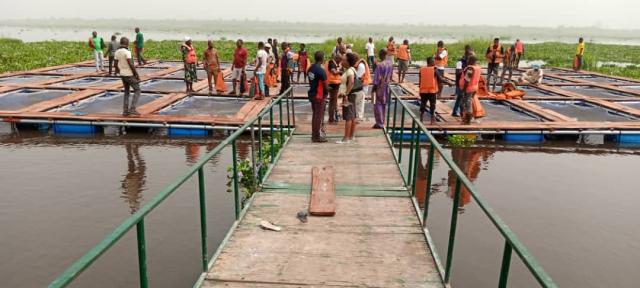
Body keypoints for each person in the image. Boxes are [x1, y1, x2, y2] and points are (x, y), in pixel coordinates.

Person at [114, 37, 141, 116]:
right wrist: (136, 74)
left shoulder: (117, 52)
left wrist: (120, 71)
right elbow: (131, 64)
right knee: (137, 90)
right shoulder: (127, 52)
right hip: (129, 74)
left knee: (126, 92)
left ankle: (125, 111)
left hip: (122, 74)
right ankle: (132, 109)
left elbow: (115, 65)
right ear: (127, 43)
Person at [337, 53, 361, 144]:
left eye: (343, 60)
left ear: (348, 62)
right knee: (352, 116)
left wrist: (346, 94)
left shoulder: (350, 71)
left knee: (348, 116)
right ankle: (351, 136)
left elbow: (351, 82)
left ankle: (346, 138)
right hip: (351, 95)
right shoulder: (350, 69)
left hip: (349, 96)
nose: (342, 62)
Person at [419, 57, 450, 124]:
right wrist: (449, 83)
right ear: (430, 62)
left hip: (423, 90)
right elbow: (440, 79)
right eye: (433, 61)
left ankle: (421, 118)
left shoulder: (421, 69)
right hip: (431, 90)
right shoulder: (434, 69)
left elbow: (420, 80)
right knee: (432, 105)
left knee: (423, 104)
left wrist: (420, 89)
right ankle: (432, 119)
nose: (434, 62)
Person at [308, 51, 329, 143]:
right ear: (322, 58)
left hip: (312, 93)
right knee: (318, 116)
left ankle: (314, 134)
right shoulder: (321, 71)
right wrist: (328, 91)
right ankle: (316, 136)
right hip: (319, 96)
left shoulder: (311, 68)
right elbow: (325, 85)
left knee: (315, 115)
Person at [452, 45, 475, 117]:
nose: (470, 56)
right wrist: (466, 70)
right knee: (461, 98)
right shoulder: (460, 62)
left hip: (468, 83)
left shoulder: (470, 64)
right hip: (460, 83)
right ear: (466, 54)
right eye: (470, 54)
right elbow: (458, 72)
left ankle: (457, 112)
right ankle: (459, 113)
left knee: (461, 98)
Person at [372, 48, 393, 129]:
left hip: (380, 87)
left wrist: (374, 88)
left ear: (381, 54)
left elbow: (377, 79)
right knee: (384, 104)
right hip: (386, 86)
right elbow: (391, 76)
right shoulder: (390, 63)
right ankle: (382, 121)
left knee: (378, 105)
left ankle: (379, 123)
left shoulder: (380, 65)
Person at [459, 55, 482, 125]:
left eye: (468, 60)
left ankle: (467, 121)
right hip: (474, 88)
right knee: (464, 103)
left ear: (472, 61)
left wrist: (463, 90)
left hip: (468, 89)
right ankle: (464, 118)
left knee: (467, 104)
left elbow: (467, 80)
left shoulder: (470, 69)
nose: (467, 61)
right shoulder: (477, 68)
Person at [353, 53, 371, 121]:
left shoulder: (360, 66)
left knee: (359, 103)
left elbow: (358, 78)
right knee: (358, 103)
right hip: (361, 86)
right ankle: (358, 117)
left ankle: (359, 118)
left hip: (362, 87)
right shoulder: (359, 65)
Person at [326, 53, 343, 124]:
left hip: (334, 84)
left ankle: (331, 118)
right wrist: (341, 72)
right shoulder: (332, 63)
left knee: (332, 102)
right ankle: (331, 119)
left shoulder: (333, 63)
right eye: (340, 60)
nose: (340, 62)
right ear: (337, 58)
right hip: (333, 84)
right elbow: (334, 72)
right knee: (333, 102)